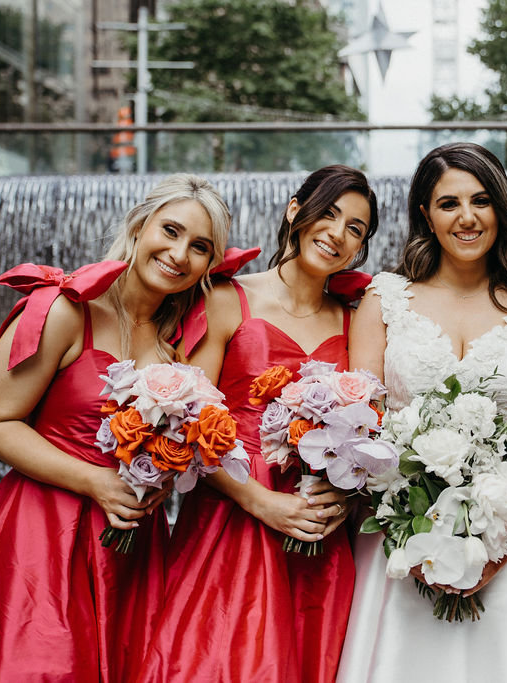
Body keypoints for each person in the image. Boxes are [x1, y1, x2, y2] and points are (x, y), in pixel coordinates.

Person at [0, 174, 231, 682]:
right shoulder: (63, 309)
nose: (180, 254)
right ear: (139, 227)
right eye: (171, 230)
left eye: (200, 247)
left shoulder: (178, 342)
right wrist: (96, 481)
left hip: (133, 547)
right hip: (44, 533)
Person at [337, 143, 507, 683]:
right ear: (426, 214)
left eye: (481, 201)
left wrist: (493, 544)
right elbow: (360, 429)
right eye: (449, 203)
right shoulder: (384, 299)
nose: (467, 217)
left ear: (501, 211)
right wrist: (414, 534)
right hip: (398, 539)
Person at [140, 166, 379, 683]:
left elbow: (367, 429)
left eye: (356, 229)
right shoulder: (227, 298)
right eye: (330, 213)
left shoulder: (355, 318)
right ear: (296, 210)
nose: (338, 233)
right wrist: (258, 500)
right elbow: (185, 421)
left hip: (317, 528)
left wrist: (345, 488)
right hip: (232, 517)